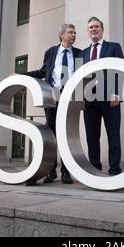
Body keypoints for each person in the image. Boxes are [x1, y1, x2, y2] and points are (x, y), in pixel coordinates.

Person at [25, 24, 82, 184]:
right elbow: (43, 72)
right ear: (61, 35)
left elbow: (84, 76)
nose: (74, 35)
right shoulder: (51, 52)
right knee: (52, 135)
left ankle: (66, 172)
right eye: (70, 32)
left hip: (70, 97)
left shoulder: (79, 54)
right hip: (53, 96)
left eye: (75, 33)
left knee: (66, 134)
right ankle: (51, 172)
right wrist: (21, 74)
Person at [82, 17, 124, 176]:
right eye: (91, 27)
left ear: (102, 29)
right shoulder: (84, 53)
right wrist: (81, 98)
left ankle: (115, 170)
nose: (94, 29)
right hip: (89, 102)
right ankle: (95, 169)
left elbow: (120, 70)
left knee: (113, 135)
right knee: (92, 137)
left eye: (96, 26)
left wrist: (116, 93)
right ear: (88, 31)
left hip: (110, 99)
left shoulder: (113, 47)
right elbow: (81, 78)